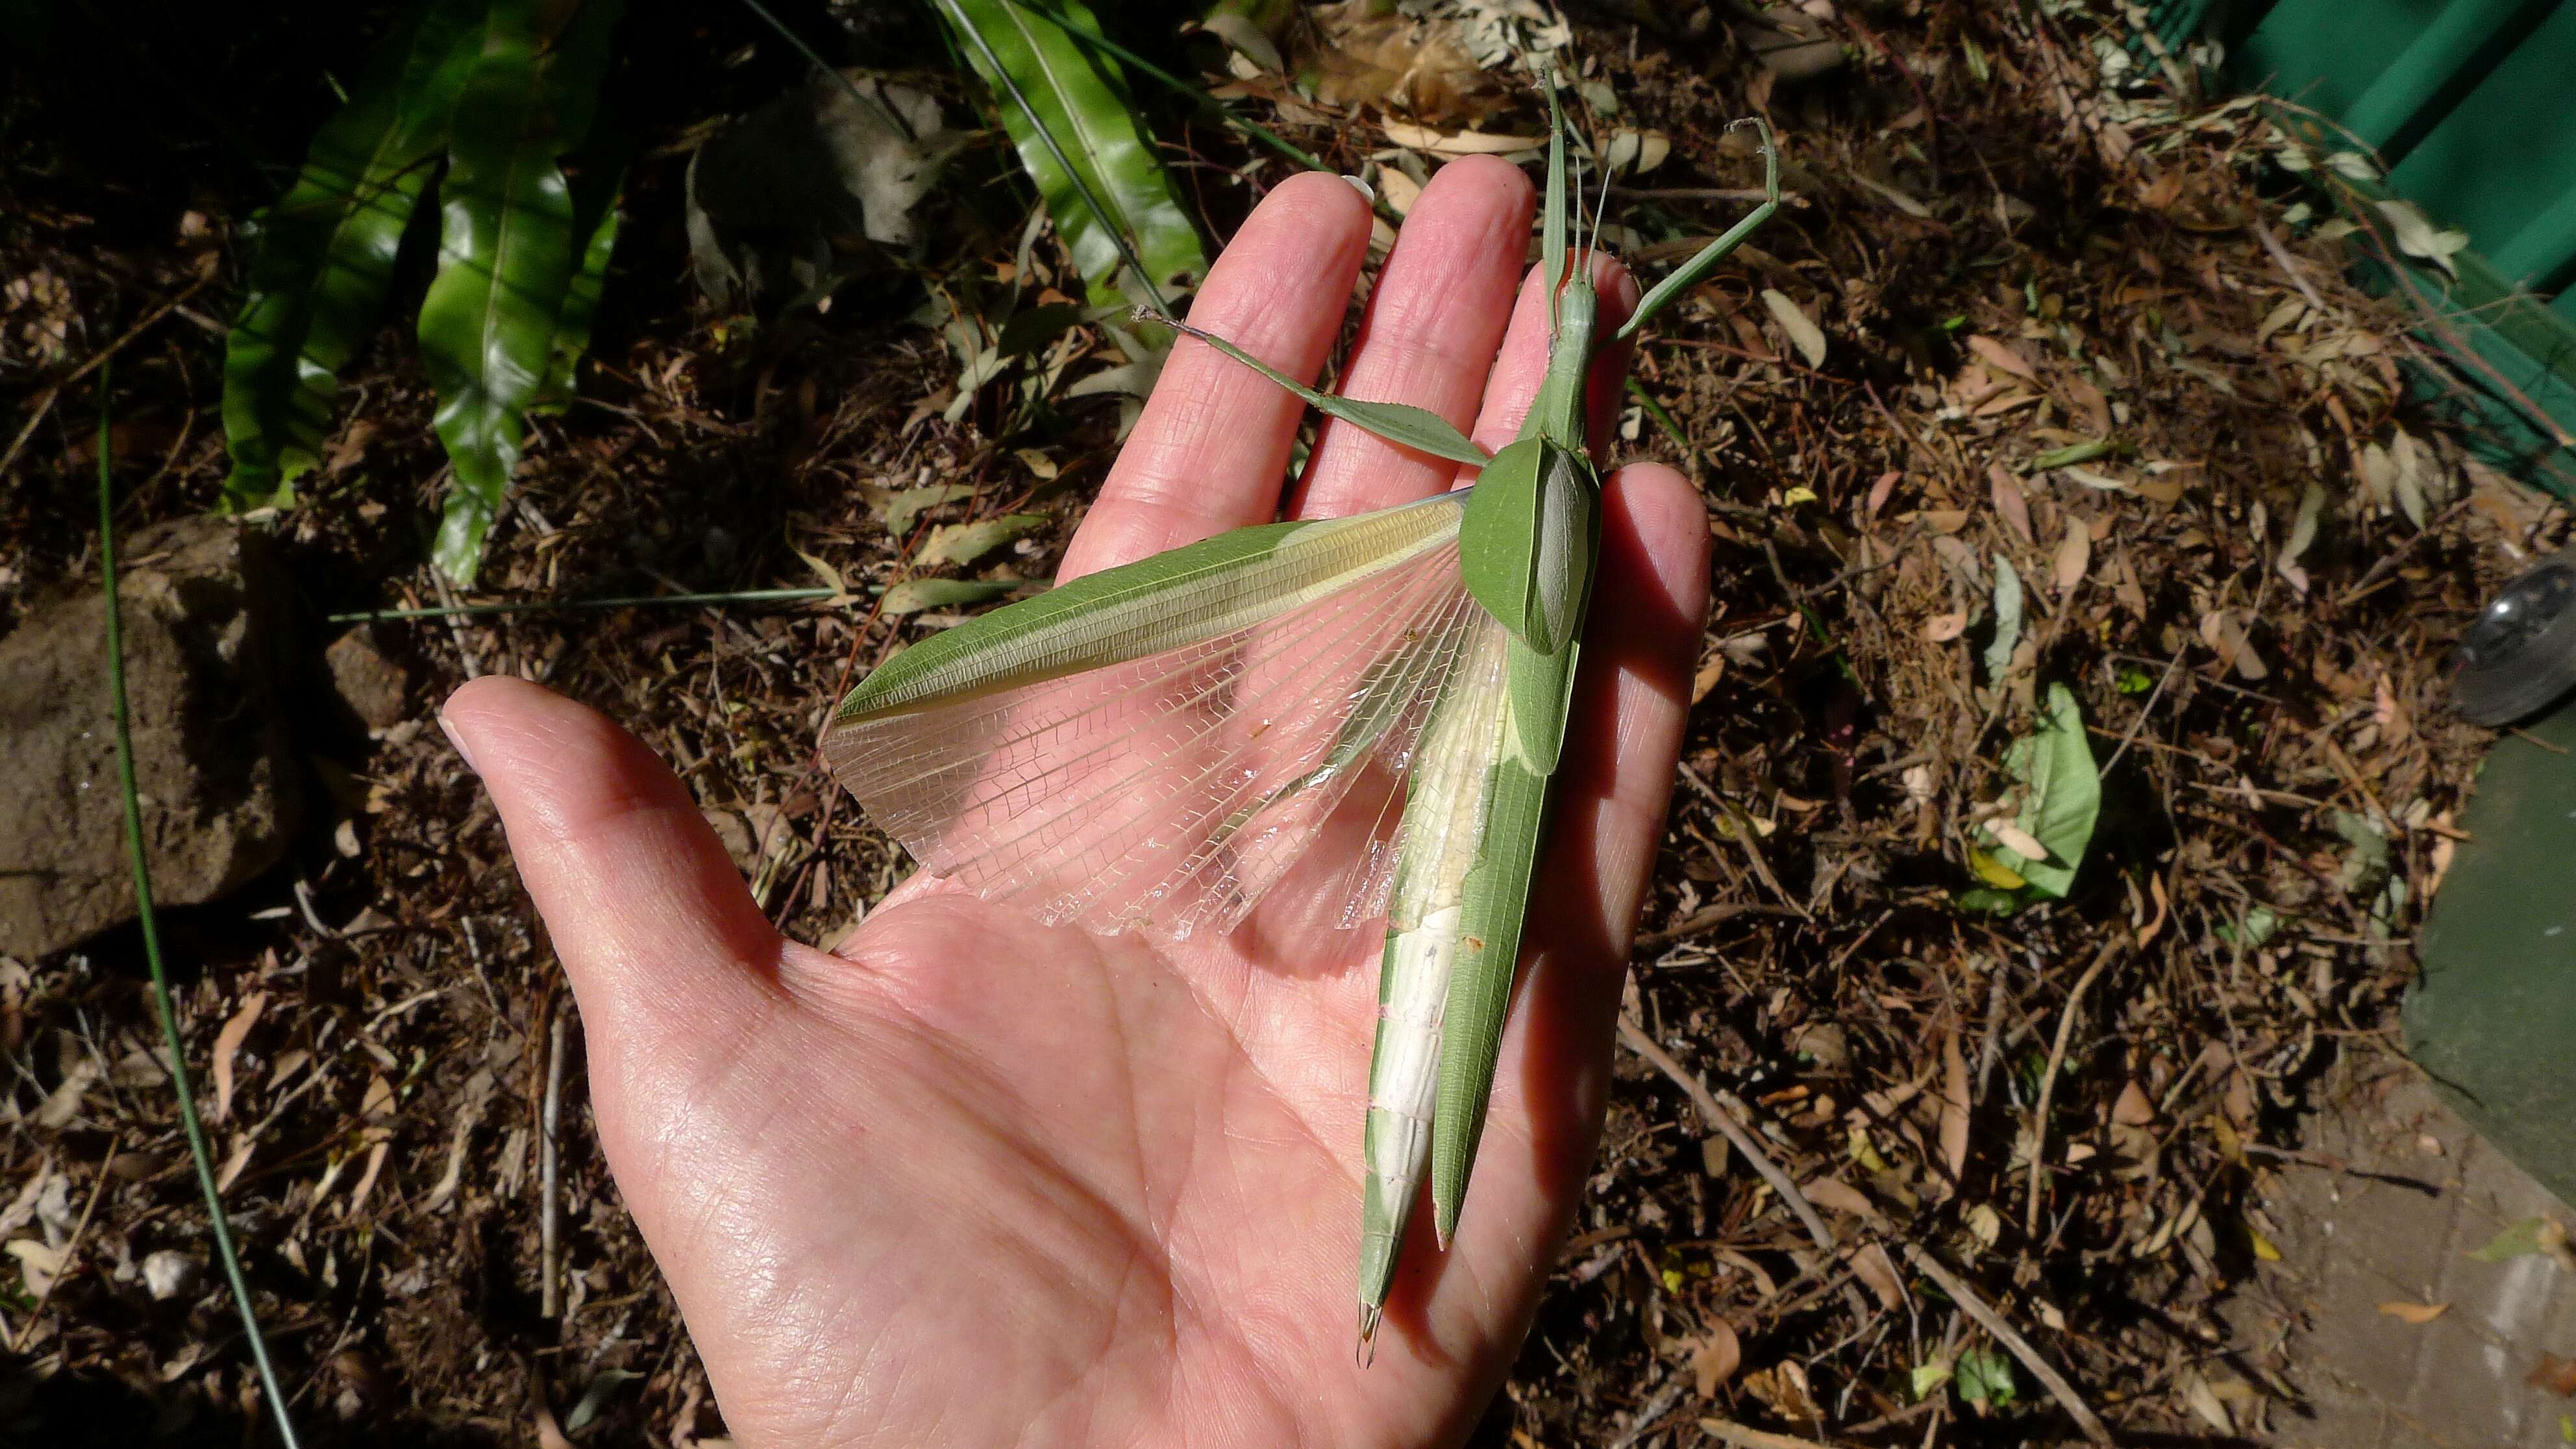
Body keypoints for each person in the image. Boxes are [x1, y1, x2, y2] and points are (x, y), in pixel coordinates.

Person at [439, 153, 1710, 1447]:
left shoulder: (1460, 495)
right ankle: (1382, 1262)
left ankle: (1386, 1268)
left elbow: (1318, 397)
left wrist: (1281, 379)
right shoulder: (1509, 497)